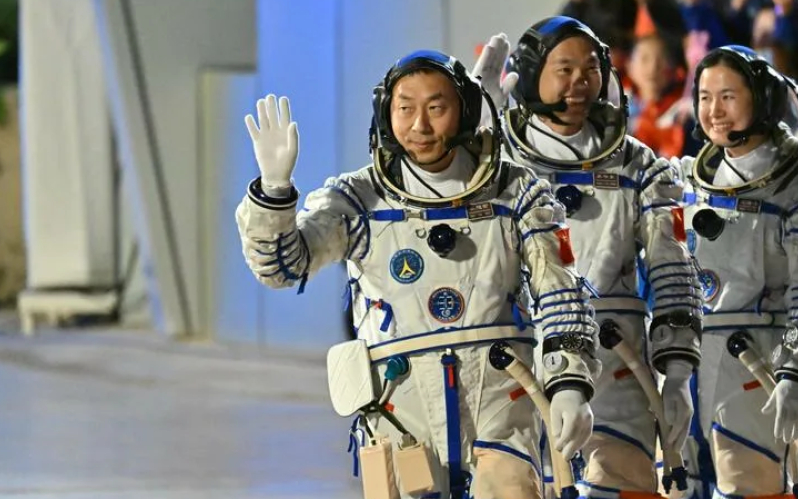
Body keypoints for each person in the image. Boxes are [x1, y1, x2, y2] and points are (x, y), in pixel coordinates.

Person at [235, 50, 600, 499]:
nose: (419, 126)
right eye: (405, 108)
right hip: (401, 407)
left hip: (500, 400)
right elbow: (282, 266)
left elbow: (562, 293)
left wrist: (569, 383)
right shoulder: (359, 201)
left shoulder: (515, 193)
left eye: (436, 108)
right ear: (385, 114)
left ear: (464, 111)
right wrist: (274, 192)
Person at [479, 16, 703, 499]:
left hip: (615, 362)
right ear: (531, 72)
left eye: (590, 69)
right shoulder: (496, 165)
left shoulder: (639, 167)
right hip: (519, 363)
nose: (579, 82)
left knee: (624, 482)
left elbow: (672, 270)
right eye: (564, 69)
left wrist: (678, 371)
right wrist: (477, 131)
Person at [677, 45, 798, 498]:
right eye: (705, 97)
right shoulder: (687, 183)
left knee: (749, 486)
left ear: (762, 99)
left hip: (760, 362)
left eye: (728, 96)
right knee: (681, 485)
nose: (714, 111)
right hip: (688, 365)